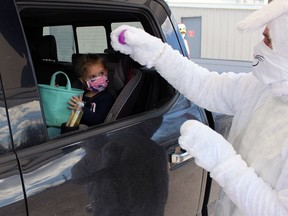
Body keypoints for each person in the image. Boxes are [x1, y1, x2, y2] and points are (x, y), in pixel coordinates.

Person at [110, 0, 288, 215]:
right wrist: (158, 54)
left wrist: (223, 161)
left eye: (268, 40)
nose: (261, 42)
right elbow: (204, 85)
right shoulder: (262, 87)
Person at [68, 54, 115, 126]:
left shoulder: (107, 98)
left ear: (107, 72)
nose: (99, 78)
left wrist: (81, 109)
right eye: (93, 76)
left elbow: (99, 121)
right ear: (83, 81)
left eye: (102, 73)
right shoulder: (82, 94)